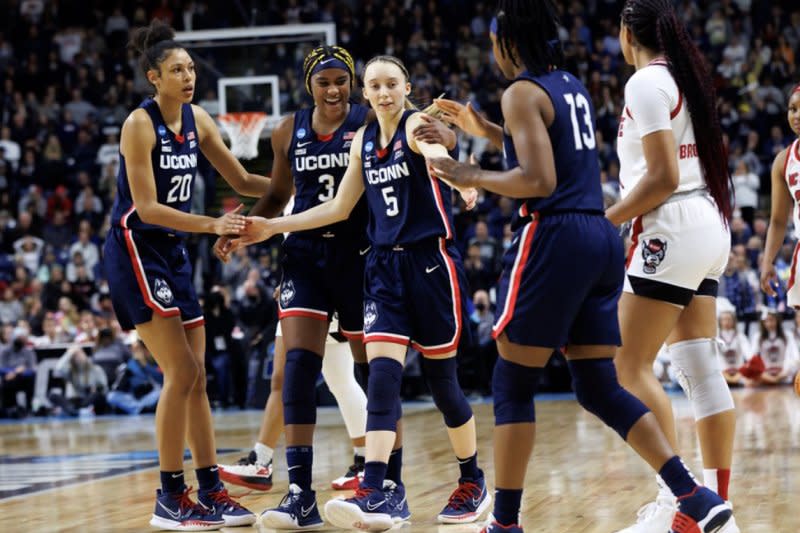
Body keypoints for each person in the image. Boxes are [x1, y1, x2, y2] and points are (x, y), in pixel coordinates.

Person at [429, 2, 738, 532]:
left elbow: (539, 181)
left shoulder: (524, 91)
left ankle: (504, 523)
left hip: (560, 238)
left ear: (506, 43)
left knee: (512, 383)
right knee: (599, 385)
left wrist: (468, 171)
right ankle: (696, 497)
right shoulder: (569, 85)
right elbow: (555, 159)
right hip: (603, 239)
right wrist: (486, 130)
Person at [233, 54, 488, 531]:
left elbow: (438, 155)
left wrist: (461, 180)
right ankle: (377, 490)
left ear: (406, 86)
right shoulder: (364, 141)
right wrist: (273, 226)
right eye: (376, 85)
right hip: (382, 268)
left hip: (430, 264)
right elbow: (337, 206)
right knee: (382, 378)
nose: (384, 92)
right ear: (366, 93)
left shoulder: (415, 126)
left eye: (392, 83)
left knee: (444, 388)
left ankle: (472, 478)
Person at [102, 19, 269, 530]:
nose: (188, 76)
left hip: (172, 251)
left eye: (191, 68)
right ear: (154, 77)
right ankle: (170, 496)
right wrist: (213, 223)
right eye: (177, 69)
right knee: (182, 373)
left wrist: (303, 194)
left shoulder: (198, 118)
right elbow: (148, 208)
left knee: (198, 380)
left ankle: (212, 489)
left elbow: (240, 179)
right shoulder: (139, 123)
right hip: (136, 247)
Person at [603, 0, 738, 530]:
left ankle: (677, 499)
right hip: (707, 221)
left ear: (626, 33)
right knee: (701, 371)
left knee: (626, 365)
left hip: (670, 224)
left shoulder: (644, 83)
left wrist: (607, 219)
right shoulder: (684, 79)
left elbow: (658, 178)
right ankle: (715, 505)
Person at [761, 83, 800, 392]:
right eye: (792, 109)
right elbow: (776, 220)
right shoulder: (783, 161)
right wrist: (767, 262)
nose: (796, 115)